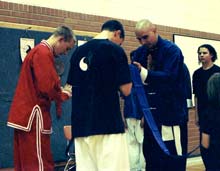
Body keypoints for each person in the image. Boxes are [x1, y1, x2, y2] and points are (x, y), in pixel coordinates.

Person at [7, 26, 76, 171]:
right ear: (61, 39)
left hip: (25, 115)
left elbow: (43, 84)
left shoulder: (39, 51)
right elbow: (47, 88)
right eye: (67, 48)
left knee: (25, 162)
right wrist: (64, 94)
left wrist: (59, 89)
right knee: (38, 163)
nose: (65, 53)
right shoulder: (43, 53)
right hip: (34, 116)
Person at [67, 20, 132, 171]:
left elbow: (70, 85)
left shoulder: (78, 52)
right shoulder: (115, 50)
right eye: (120, 42)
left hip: (81, 126)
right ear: (117, 33)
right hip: (108, 124)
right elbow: (126, 90)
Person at [132, 19, 187, 171]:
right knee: (151, 157)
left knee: (172, 157)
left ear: (155, 30)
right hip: (150, 117)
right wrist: (142, 113)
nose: (142, 42)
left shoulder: (172, 50)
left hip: (171, 115)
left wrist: (144, 73)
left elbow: (169, 78)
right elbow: (137, 87)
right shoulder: (140, 52)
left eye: (145, 37)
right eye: (138, 39)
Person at [121, 51, 146, 171]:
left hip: (132, 113)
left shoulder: (129, 73)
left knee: (134, 143)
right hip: (134, 113)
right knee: (138, 143)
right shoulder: (138, 75)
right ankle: (137, 168)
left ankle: (136, 168)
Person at [192, 44, 220, 127]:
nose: (201, 55)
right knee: (203, 138)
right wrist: (196, 115)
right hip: (202, 112)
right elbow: (196, 95)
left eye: (204, 53)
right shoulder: (196, 74)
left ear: (211, 55)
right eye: (199, 53)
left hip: (217, 112)